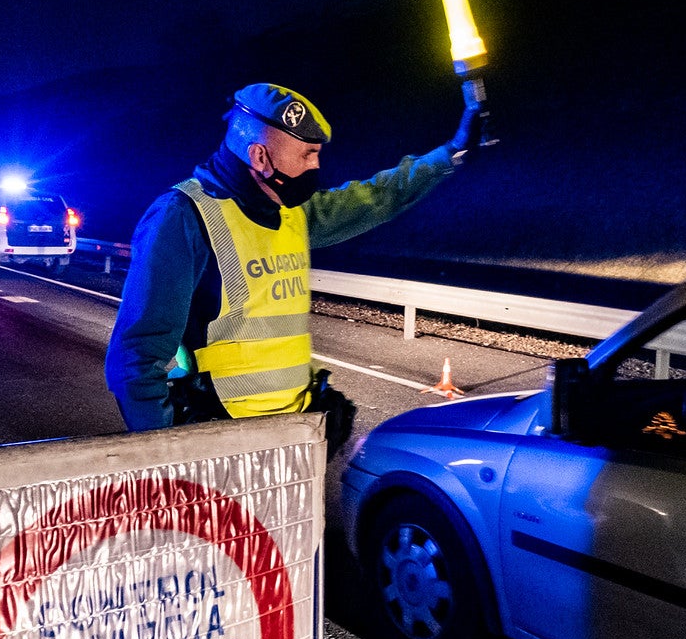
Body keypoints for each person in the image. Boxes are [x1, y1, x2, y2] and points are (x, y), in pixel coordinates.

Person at [104, 82, 486, 452]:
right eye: (307, 155)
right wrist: (168, 457)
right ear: (259, 157)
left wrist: (450, 155)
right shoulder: (183, 218)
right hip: (220, 446)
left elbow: (378, 197)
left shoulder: (293, 213)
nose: (317, 165)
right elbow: (136, 357)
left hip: (294, 440)